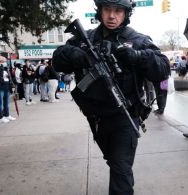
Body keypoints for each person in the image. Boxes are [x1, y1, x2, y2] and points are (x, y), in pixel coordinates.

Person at [52, 0, 170, 194]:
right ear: (100, 11)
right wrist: (72, 54)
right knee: (113, 160)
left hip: (125, 116)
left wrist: (138, 56)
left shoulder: (138, 40)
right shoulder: (85, 39)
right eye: (107, 9)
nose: (112, 16)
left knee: (121, 170)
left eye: (118, 11)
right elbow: (57, 61)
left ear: (126, 14)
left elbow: (163, 69)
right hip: (96, 118)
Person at [0, 55, 16, 123]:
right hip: (0, 88)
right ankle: (1, 117)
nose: (5, 62)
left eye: (5, 61)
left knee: (6, 103)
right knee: (0, 103)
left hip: (7, 87)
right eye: (3, 61)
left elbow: (10, 79)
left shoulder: (6, 69)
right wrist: (0, 68)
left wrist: (12, 86)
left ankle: (7, 115)